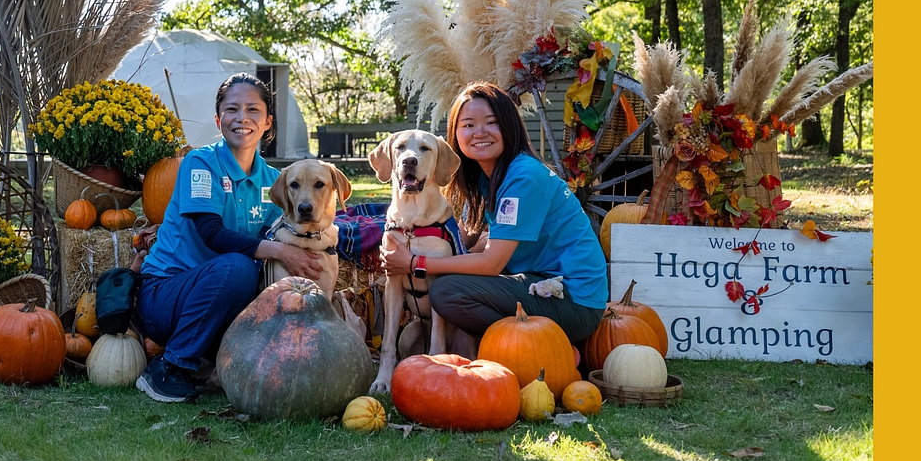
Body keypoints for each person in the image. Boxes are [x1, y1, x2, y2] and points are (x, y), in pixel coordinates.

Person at [135, 73, 325, 402]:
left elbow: (293, 228)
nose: (242, 118)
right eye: (232, 109)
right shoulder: (199, 163)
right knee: (239, 266)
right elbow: (212, 235)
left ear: (268, 122)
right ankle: (169, 367)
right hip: (164, 296)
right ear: (218, 119)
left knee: (254, 275)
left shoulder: (274, 181)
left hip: (221, 302)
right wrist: (280, 250)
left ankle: (219, 361)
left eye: (253, 110)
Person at [379, 82, 608, 344]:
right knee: (455, 276)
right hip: (539, 283)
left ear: (509, 126)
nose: (480, 133)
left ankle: (535, 346)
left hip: (574, 300)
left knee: (446, 291)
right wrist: (403, 235)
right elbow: (462, 239)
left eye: (491, 122)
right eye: (468, 125)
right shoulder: (485, 176)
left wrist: (414, 263)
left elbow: (491, 263)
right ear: (455, 133)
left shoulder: (523, 177)